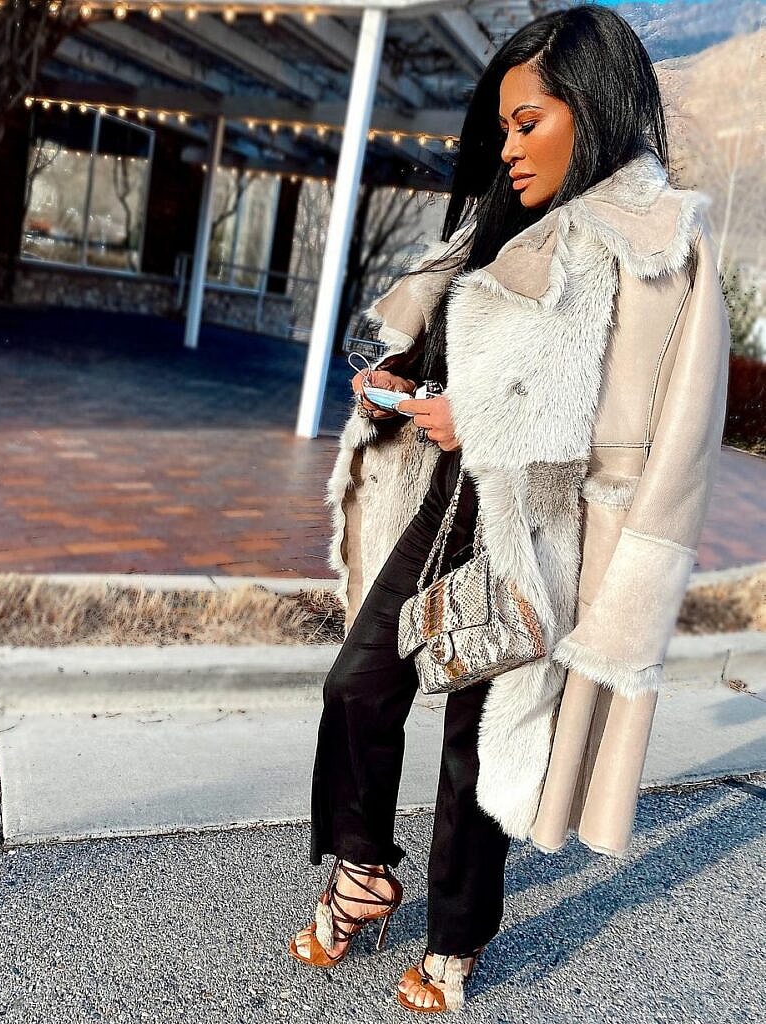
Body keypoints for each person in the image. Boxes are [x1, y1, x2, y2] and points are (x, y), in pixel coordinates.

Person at [287, 3, 731, 1015]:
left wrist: (473, 417)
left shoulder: (657, 247)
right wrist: (405, 375)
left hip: (543, 530)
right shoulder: (500, 216)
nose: (507, 144)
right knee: (357, 682)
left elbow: (655, 431)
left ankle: (455, 939)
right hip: (447, 503)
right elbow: (466, 357)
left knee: (478, 745)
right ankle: (362, 868)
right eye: (502, 124)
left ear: (596, 107)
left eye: (529, 122)